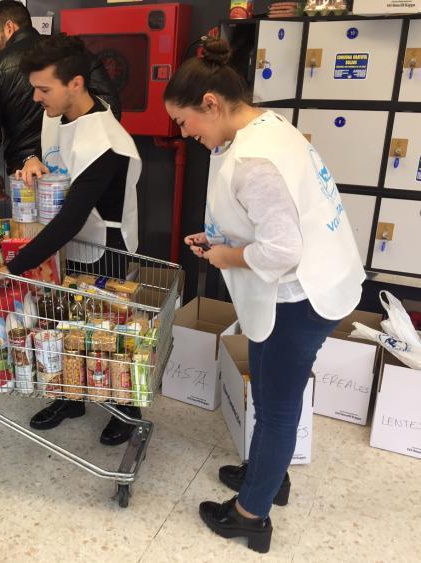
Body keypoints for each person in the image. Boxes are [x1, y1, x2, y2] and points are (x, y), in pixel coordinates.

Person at [163, 39, 365, 553]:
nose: (184, 135)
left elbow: (282, 251)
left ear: (210, 102)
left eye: (186, 122)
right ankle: (269, 476)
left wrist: (226, 257)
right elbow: (271, 218)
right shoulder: (265, 126)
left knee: (275, 405)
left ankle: (251, 515)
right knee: (275, 391)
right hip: (317, 278)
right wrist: (223, 241)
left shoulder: (255, 160)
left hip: (301, 296)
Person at [0, 34, 142, 446]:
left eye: (43, 89)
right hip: (62, 242)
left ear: (76, 84)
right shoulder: (58, 113)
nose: (35, 98)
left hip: (102, 245)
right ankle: (71, 396)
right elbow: (49, 153)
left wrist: (12, 267)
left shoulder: (106, 142)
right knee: (62, 323)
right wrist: (31, 159)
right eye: (34, 87)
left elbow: (71, 219)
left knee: (104, 332)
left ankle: (126, 410)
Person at [0, 0, 121, 202]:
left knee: (31, 230)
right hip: (74, 168)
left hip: (25, 175)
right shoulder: (72, 55)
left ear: (9, 27)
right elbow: (111, 108)